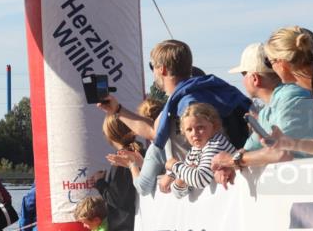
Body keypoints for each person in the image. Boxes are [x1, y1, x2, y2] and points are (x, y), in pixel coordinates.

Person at [98, 40, 251, 194]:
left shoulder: (187, 104)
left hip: (215, 190)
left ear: (162, 69)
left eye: (153, 66)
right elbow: (154, 131)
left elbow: (214, 143)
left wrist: (175, 168)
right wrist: (117, 110)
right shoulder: (186, 96)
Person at [212, 30, 313, 176]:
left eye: (270, 61)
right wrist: (290, 143)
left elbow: (281, 155)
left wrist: (232, 161)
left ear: (281, 63)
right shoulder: (276, 105)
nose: (272, 69)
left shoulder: (294, 96)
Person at [161, 103, 237, 198]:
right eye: (189, 129)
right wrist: (182, 178)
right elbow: (178, 193)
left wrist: (174, 165)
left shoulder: (215, 144)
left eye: (200, 127)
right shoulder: (195, 150)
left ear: (214, 126)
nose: (194, 134)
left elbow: (200, 179)